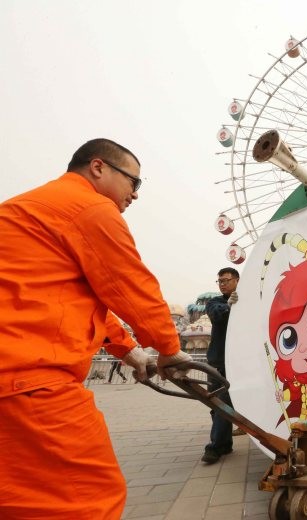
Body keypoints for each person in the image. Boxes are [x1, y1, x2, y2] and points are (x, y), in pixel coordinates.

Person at [0, 138, 192, 519]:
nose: (135, 194)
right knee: (91, 497)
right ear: (98, 167)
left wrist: (129, 351)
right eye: (133, 181)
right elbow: (131, 286)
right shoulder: (91, 209)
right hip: (33, 383)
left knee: (21, 501)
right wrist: (168, 349)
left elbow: (78, 297)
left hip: (12, 382)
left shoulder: (26, 210)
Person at [201, 267, 241, 464]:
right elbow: (216, 314)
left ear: (237, 280)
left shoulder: (246, 302)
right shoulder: (215, 302)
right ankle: (225, 444)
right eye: (220, 281)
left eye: (226, 280)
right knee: (214, 405)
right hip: (217, 362)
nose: (222, 284)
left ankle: (215, 447)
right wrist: (228, 306)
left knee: (221, 405)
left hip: (235, 363)